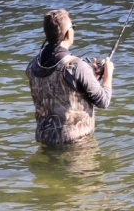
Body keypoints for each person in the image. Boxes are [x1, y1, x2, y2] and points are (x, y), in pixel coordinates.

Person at [25, 9, 114, 145]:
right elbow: (103, 101)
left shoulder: (32, 67)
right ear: (68, 33)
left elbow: (56, 90)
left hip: (45, 139)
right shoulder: (77, 66)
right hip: (76, 143)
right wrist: (108, 74)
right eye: (73, 27)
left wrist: (91, 78)